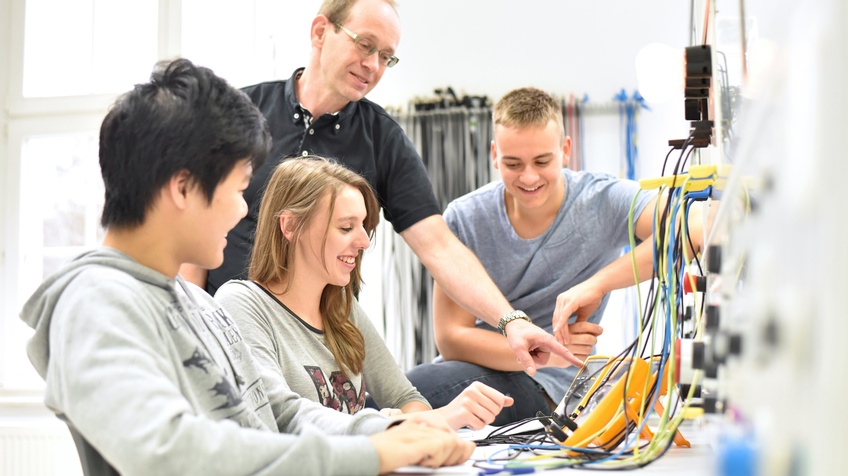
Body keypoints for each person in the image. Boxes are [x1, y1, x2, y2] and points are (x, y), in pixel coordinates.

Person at [19, 58, 474, 475]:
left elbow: (279, 410)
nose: (242, 212)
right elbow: (168, 451)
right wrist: (371, 454)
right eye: (239, 189)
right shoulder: (95, 302)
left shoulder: (201, 304)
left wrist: (388, 433)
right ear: (182, 188)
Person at [178, 0, 583, 375]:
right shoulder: (243, 114)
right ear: (320, 32)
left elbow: (438, 246)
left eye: (386, 56)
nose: (373, 64)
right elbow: (196, 231)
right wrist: (191, 328)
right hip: (227, 336)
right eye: (365, 45)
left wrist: (509, 321)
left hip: (321, 353)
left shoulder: (382, 139)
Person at [406, 87, 711, 425]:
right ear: (495, 155)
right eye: (512, 163)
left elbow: (694, 227)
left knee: (395, 401)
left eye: (542, 161)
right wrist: (542, 354)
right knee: (399, 395)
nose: (529, 177)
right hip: (473, 368)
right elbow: (451, 338)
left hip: (552, 388)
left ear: (566, 151)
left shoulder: (602, 200)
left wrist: (596, 283)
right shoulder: (465, 217)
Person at [215, 157, 514, 431]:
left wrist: (408, 421)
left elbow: (405, 397)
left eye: (363, 226)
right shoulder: (241, 304)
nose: (363, 242)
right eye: (346, 227)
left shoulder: (342, 306)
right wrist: (404, 423)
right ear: (291, 226)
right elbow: (279, 412)